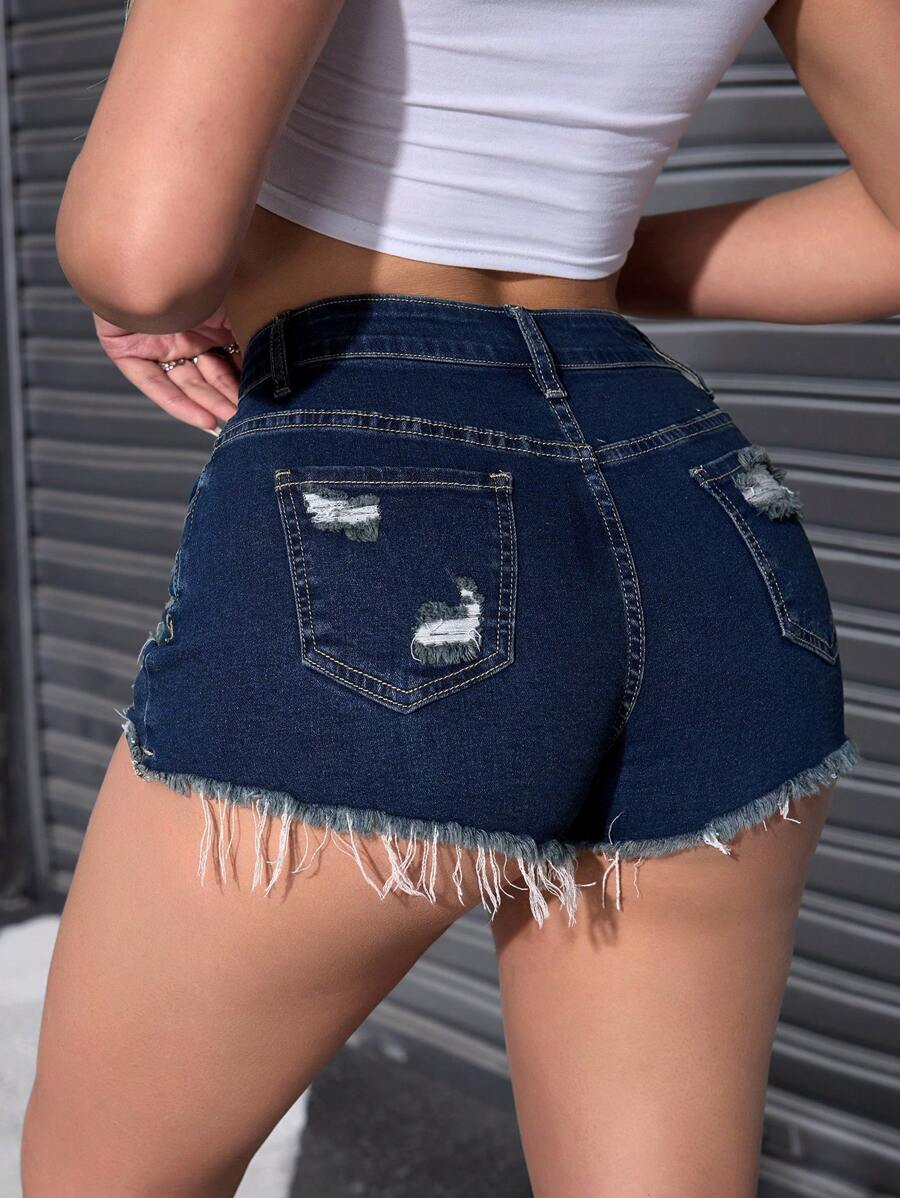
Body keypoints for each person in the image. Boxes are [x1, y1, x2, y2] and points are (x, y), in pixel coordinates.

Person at [22, 0, 897, 1193]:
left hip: (390, 489)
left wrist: (140, 293)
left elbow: (146, 251)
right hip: (699, 511)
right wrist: (570, 249)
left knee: (109, 1175)